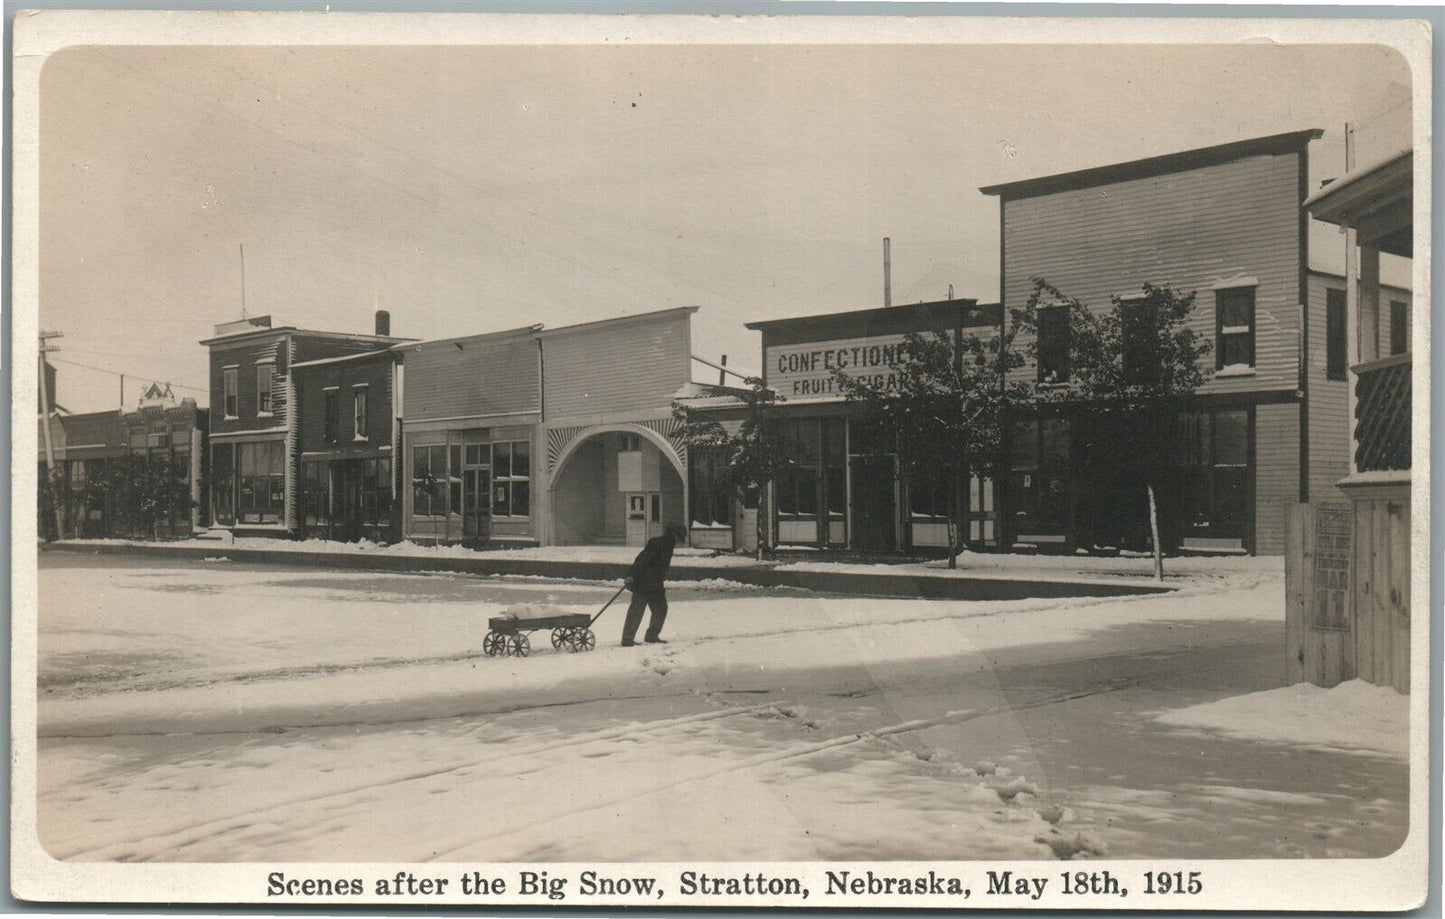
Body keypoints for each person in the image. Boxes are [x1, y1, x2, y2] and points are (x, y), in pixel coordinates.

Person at [621, 521, 687, 647]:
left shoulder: (668, 544)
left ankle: (648, 636)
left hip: (655, 583)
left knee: (659, 608)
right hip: (645, 582)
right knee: (639, 609)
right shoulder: (658, 543)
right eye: (679, 537)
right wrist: (631, 575)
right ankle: (629, 638)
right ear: (674, 534)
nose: (680, 540)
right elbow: (642, 559)